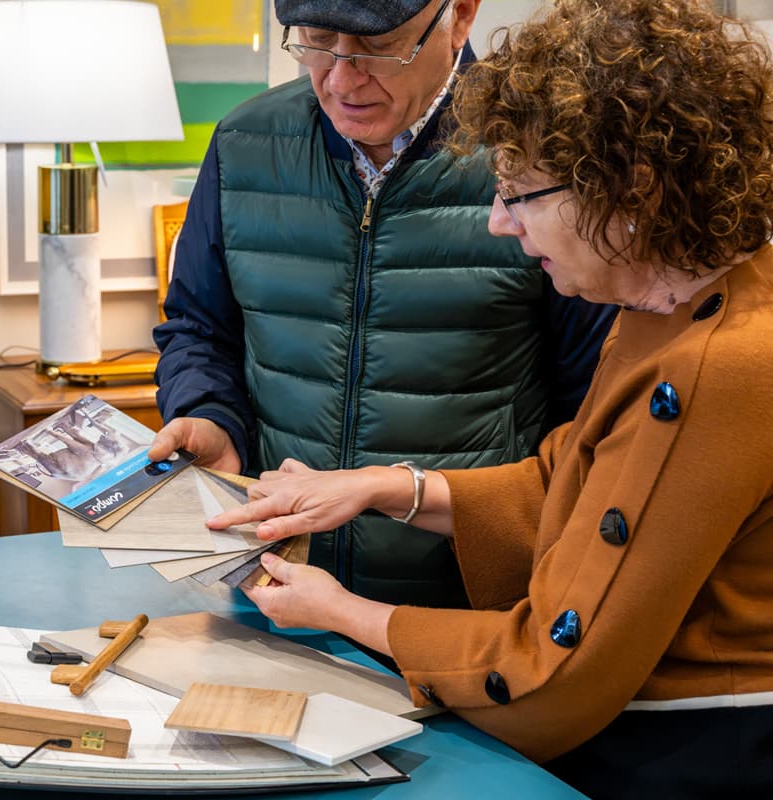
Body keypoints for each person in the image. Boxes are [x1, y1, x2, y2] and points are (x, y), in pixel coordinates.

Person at [208, 0, 773, 795]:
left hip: (694, 757)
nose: (498, 224)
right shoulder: (671, 304)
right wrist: (387, 487)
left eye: (521, 195)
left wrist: (345, 613)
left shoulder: (722, 364)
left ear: (631, 189)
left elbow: (554, 669)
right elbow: (572, 482)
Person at [148, 0, 617, 610]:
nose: (341, 79)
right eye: (317, 40)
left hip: (474, 610)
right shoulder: (244, 145)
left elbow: (595, 405)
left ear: (461, 16)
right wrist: (212, 415)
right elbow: (198, 329)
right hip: (275, 588)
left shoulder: (539, 158)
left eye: (378, 46)